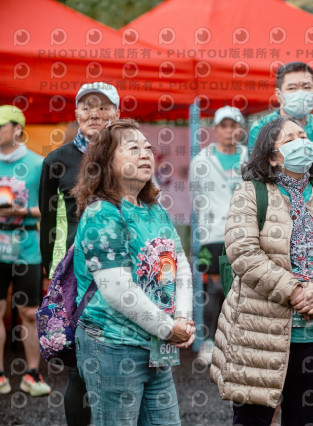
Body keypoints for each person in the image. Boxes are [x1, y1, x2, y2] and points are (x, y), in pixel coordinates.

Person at [210, 117, 313, 425]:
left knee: (305, 418)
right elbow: (243, 253)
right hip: (258, 333)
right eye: (289, 139)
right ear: (273, 156)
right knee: (253, 420)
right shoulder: (250, 194)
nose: (301, 142)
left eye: (303, 136)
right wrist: (294, 290)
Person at [71, 119, 194, 425]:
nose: (145, 154)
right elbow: (118, 290)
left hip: (157, 344)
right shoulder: (102, 213)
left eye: (147, 148)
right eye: (133, 148)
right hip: (113, 347)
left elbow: (179, 263)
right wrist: (169, 328)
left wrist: (182, 317)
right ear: (106, 162)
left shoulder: (154, 208)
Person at [39, 82, 120, 425]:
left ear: (117, 113)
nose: (94, 114)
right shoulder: (56, 161)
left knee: (123, 353)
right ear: (76, 114)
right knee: (79, 365)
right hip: (75, 272)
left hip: (122, 268)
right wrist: (50, 272)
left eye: (103, 107)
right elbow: (48, 221)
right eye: (87, 107)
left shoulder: (129, 155)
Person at [190, 106, 248, 365]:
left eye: (233, 125)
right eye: (224, 126)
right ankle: (208, 342)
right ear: (216, 129)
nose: (228, 131)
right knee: (214, 287)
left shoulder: (248, 158)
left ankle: (236, 342)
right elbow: (197, 197)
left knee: (240, 288)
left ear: (240, 129)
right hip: (213, 235)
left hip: (243, 234)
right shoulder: (201, 161)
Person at [0, 105, 49, 396]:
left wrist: (24, 211)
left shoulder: (38, 163)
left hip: (27, 245)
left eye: (1, 125)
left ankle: (32, 373)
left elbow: (51, 207)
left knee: (29, 312)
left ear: (18, 128)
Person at [248, 61, 313, 186]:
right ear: (278, 94)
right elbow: (263, 181)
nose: (300, 93)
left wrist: (300, 182)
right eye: (292, 88)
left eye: (307, 87)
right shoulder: (262, 127)